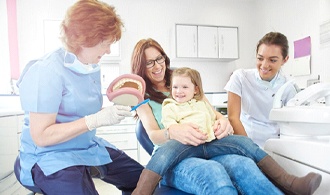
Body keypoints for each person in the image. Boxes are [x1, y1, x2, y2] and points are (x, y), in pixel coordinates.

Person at [130, 38, 322, 195]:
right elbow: (153, 134)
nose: (157, 66)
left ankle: (291, 184)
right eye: (149, 62)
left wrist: (223, 122)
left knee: (244, 165)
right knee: (212, 172)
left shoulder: (184, 80)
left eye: (160, 58)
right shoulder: (141, 94)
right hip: (174, 157)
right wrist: (172, 132)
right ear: (141, 65)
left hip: (208, 145)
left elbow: (212, 113)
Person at [14, 0, 144, 194]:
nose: (108, 50)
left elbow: (79, 112)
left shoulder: (88, 67)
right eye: (105, 44)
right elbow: (41, 136)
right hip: (50, 157)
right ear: (85, 39)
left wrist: (110, 113)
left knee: (144, 181)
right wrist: (95, 120)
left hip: (86, 147)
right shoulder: (46, 72)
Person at [225, 32, 299, 148]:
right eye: (260, 58)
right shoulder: (240, 77)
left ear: (285, 60)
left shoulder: (288, 86)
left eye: (272, 60)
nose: (264, 65)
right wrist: (250, 149)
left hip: (275, 145)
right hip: (245, 140)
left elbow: (292, 126)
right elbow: (233, 118)